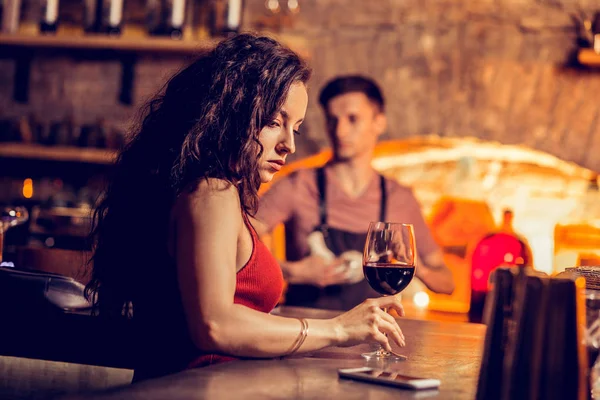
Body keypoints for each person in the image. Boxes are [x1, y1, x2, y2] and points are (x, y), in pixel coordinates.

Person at [85, 35, 406, 382]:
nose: (289, 145)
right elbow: (215, 325)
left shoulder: (208, 189)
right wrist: (338, 330)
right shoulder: (212, 192)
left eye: (294, 127)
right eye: (273, 122)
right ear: (231, 113)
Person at [253, 75, 455, 311]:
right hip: (306, 334)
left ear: (379, 123)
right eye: (332, 120)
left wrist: (418, 269)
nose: (340, 131)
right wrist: (291, 271)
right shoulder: (299, 185)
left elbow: (448, 283)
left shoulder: (400, 198)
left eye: (352, 119)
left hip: (372, 338)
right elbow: (235, 243)